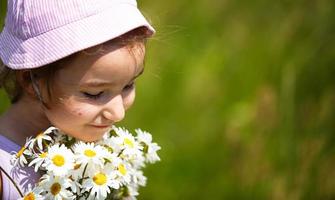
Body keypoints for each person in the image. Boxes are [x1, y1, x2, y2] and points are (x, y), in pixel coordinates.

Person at [0, 0, 155, 198]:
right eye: (94, 94)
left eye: (128, 85)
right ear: (32, 80)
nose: (118, 113)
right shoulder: (4, 178)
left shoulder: (98, 149)